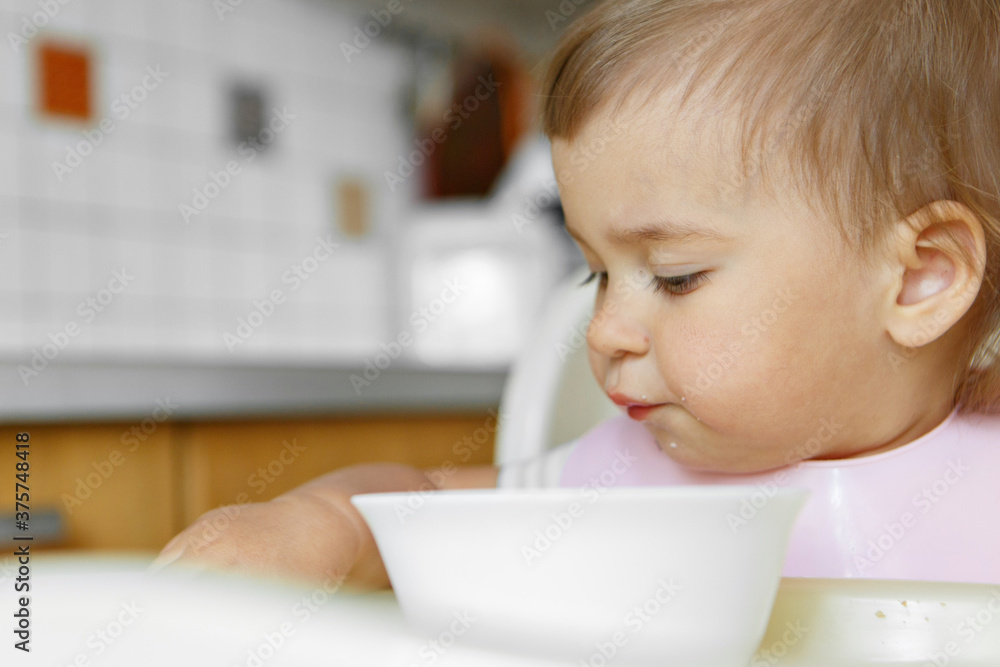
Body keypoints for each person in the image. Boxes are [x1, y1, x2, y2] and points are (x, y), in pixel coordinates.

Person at [154, 0, 1000, 587]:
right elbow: (425, 504)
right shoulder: (619, 481)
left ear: (921, 276)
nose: (603, 330)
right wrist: (329, 524)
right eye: (595, 273)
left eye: (675, 275)